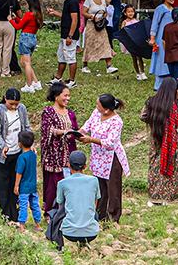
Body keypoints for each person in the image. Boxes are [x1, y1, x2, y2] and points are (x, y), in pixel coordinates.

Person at [77, 93, 129, 223]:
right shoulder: (97, 113)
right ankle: (100, 215)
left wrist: (91, 140)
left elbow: (111, 142)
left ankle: (113, 217)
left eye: (99, 105)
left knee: (112, 188)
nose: (96, 107)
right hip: (98, 157)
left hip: (111, 158)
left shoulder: (117, 122)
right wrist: (81, 132)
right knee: (100, 187)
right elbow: (88, 124)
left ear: (107, 110)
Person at [0, 88, 32, 222]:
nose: (14, 106)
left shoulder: (22, 109)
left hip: (18, 153)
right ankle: (6, 215)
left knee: (16, 185)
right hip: (3, 156)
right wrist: (3, 146)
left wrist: (29, 143)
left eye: (16, 104)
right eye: (11, 104)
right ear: (5, 99)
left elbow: (26, 128)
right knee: (3, 185)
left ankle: (16, 214)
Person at [140, 77, 178, 204]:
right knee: (170, 165)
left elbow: (143, 116)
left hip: (155, 138)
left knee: (154, 165)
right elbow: (176, 122)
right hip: (170, 140)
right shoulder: (173, 105)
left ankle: (154, 195)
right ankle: (168, 196)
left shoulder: (151, 101)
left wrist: (153, 122)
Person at [39, 82, 79, 213]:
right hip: (54, 156)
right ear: (56, 96)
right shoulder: (48, 112)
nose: (68, 98)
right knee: (52, 184)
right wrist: (63, 132)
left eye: (69, 96)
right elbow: (46, 131)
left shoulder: (71, 114)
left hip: (69, 154)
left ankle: (67, 212)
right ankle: (50, 212)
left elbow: (76, 130)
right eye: (65, 95)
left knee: (69, 183)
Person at [55, 150, 100, 250]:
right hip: (91, 233)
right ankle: (84, 243)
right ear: (85, 166)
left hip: (69, 233)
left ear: (68, 165)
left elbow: (60, 207)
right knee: (93, 212)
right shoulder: (94, 180)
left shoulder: (62, 183)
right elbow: (95, 204)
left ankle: (58, 244)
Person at [45, 0, 80, 88]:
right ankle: (58, 77)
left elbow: (74, 20)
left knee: (70, 57)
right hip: (64, 33)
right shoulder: (67, 1)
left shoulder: (73, 1)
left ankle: (72, 80)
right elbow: (66, 17)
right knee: (61, 56)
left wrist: (70, 35)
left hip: (70, 34)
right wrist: (54, 12)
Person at [81, 0, 116, 75]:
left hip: (101, 25)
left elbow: (105, 11)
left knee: (105, 43)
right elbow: (83, 12)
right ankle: (85, 65)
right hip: (91, 25)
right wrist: (92, 17)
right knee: (89, 43)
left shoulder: (103, 1)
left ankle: (109, 66)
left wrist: (103, 18)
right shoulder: (88, 1)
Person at [148, 0, 177, 89]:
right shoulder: (160, 9)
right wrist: (152, 38)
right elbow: (155, 23)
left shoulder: (174, 10)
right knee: (161, 59)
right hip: (161, 37)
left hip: (171, 38)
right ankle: (158, 84)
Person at [13, 0, 42, 92]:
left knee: (26, 63)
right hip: (32, 38)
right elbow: (24, 23)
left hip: (25, 38)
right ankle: (36, 82)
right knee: (24, 63)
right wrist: (15, 18)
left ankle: (29, 85)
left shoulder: (28, 14)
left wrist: (10, 20)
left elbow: (18, 27)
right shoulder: (38, 14)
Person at [14, 130, 40, 232]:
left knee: (23, 206)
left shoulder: (21, 157)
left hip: (24, 187)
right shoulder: (33, 154)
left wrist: (16, 186)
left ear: (20, 144)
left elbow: (19, 173)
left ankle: (21, 226)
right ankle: (37, 224)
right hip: (33, 186)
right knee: (35, 205)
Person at [118, 4, 147, 81]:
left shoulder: (137, 21)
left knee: (139, 57)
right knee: (134, 58)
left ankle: (143, 72)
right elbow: (123, 32)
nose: (130, 13)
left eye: (132, 12)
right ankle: (137, 73)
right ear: (125, 13)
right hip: (130, 43)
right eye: (128, 12)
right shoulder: (124, 22)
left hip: (137, 41)